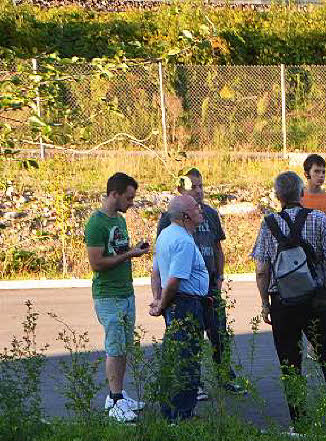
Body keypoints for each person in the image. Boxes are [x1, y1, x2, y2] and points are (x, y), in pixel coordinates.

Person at [253, 171, 326, 428]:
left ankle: (299, 419)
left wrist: (264, 303)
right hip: (315, 299)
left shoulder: (268, 223)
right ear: (301, 193)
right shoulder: (318, 219)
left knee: (289, 361)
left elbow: (262, 269)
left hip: (282, 301)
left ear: (277, 196)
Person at [156, 168, 243, 398]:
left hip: (210, 287)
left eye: (201, 186)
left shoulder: (210, 215)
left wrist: (220, 275)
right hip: (184, 292)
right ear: (180, 191)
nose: (199, 191)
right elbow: (159, 262)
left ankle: (225, 376)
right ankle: (193, 385)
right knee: (187, 340)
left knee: (218, 334)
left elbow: (217, 248)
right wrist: (159, 297)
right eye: (193, 187)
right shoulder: (169, 220)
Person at [85, 172, 149, 423]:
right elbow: (97, 263)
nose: (131, 203)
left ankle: (118, 395)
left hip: (126, 292)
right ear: (115, 194)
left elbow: (120, 250)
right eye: (129, 197)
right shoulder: (96, 224)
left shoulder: (120, 221)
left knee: (123, 346)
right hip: (108, 295)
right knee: (114, 347)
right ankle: (114, 399)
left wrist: (134, 251)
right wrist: (129, 256)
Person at [150, 194, 209, 423]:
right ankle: (183, 416)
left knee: (173, 357)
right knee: (187, 360)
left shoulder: (166, 235)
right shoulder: (183, 241)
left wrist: (157, 299)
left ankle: (168, 411)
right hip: (185, 304)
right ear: (186, 216)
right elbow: (174, 280)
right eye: (195, 207)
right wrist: (162, 303)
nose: (200, 208)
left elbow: (156, 272)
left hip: (174, 304)